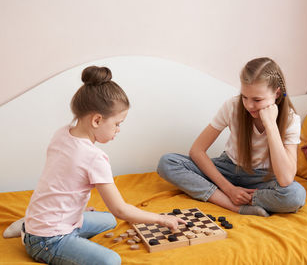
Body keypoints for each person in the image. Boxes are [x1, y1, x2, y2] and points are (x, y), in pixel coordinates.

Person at [22, 66, 186, 265]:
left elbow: (62, 179)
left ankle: (28, 226)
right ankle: (29, 234)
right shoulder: (94, 158)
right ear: (97, 120)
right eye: (118, 123)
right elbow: (121, 210)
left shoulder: (62, 133)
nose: (118, 130)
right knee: (111, 261)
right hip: (48, 240)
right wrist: (161, 219)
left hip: (44, 221)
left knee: (109, 221)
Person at [157, 57, 306, 217]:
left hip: (262, 179)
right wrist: (229, 189)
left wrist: (270, 125)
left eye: (257, 99)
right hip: (228, 168)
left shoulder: (291, 120)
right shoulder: (232, 106)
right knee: (168, 163)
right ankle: (234, 205)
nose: (249, 105)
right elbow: (197, 150)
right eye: (244, 96)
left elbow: (285, 179)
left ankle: (242, 198)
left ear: (277, 93)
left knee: (295, 195)